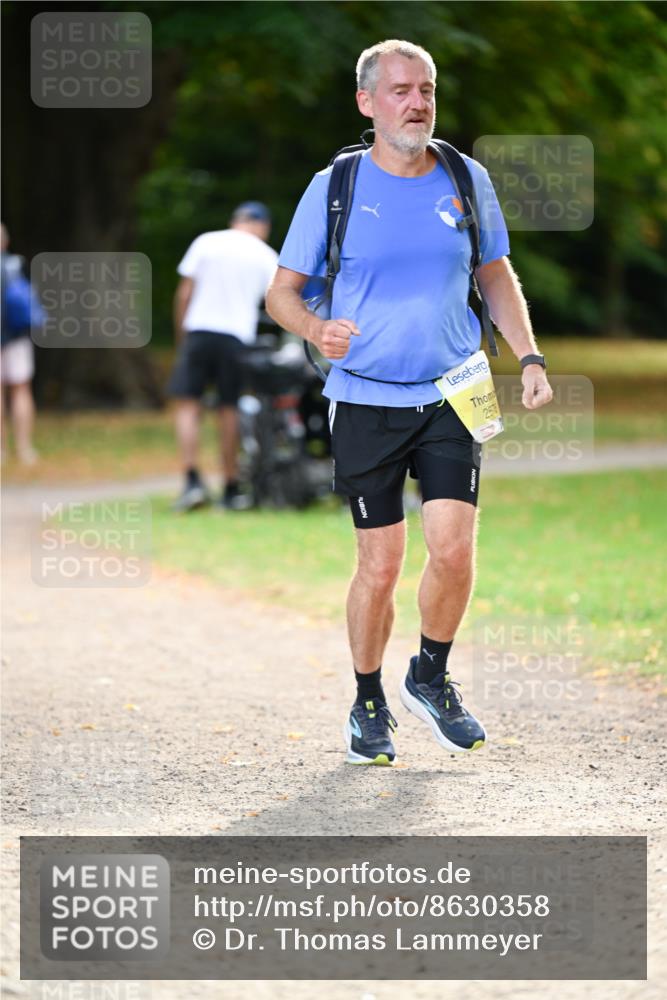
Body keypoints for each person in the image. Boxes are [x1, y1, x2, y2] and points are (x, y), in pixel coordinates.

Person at [266, 39, 553, 765]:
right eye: (399, 90)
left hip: (454, 390)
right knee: (381, 564)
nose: (416, 103)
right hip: (364, 398)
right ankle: (367, 701)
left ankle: (429, 675)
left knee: (453, 551)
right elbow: (282, 293)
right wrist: (314, 328)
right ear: (366, 102)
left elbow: (494, 272)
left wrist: (529, 356)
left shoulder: (463, 176)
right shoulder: (333, 187)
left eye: (424, 89)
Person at [168, 202, 278, 511]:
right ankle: (230, 486)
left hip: (199, 332)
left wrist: (182, 337)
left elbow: (185, 293)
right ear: (264, 227)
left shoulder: (207, 241)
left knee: (188, 404)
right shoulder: (267, 256)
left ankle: (191, 480)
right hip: (236, 338)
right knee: (229, 408)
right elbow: (277, 303)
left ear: (235, 220)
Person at [1, 223, 39, 465]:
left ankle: (1, 451)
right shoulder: (17, 264)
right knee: (21, 389)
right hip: (17, 336)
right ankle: (25, 449)